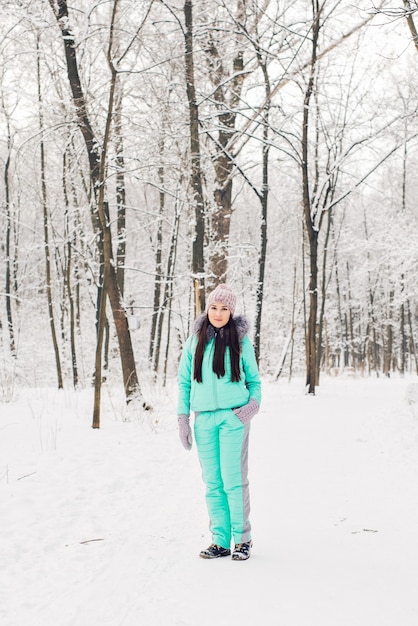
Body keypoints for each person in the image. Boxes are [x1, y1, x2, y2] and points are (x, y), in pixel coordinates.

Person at [177, 284, 261, 561]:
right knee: (212, 482)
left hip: (232, 418)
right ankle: (220, 541)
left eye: (224, 308)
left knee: (233, 480)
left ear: (231, 312)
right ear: (207, 309)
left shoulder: (240, 341)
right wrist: (183, 419)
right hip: (204, 421)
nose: (218, 313)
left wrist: (249, 409)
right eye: (214, 307)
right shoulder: (194, 342)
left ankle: (243, 539)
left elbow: (254, 381)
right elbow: (184, 383)